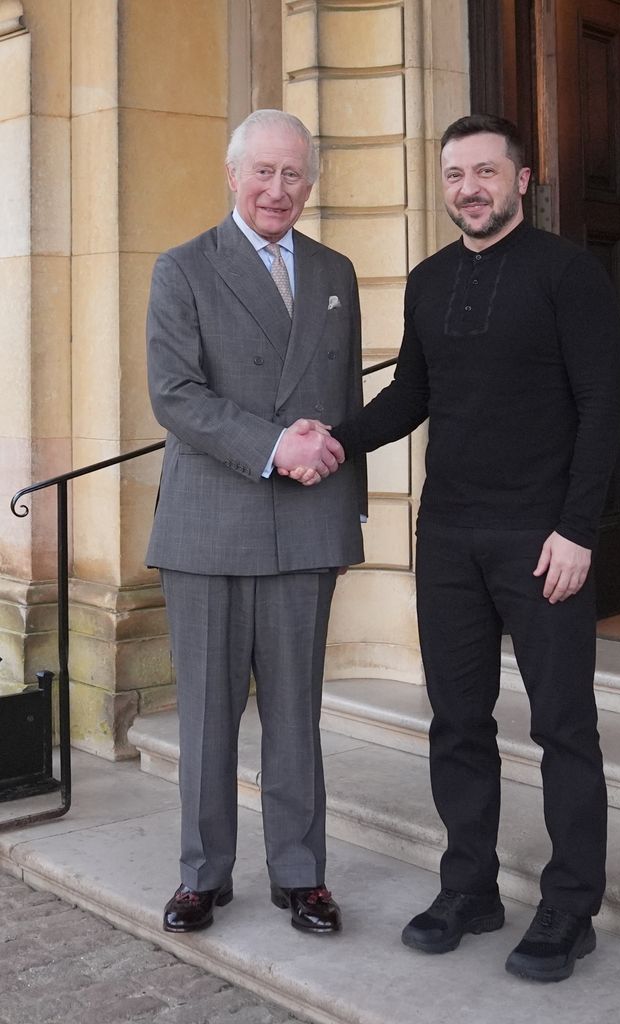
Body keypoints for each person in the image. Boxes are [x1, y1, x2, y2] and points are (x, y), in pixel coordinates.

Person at [285, 113, 620, 981]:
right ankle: (470, 887)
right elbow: (413, 391)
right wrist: (337, 439)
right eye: (452, 176)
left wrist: (579, 529)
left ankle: (570, 905)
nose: (467, 189)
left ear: (521, 179)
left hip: (542, 537)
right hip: (449, 536)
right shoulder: (431, 280)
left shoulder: (568, 274)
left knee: (564, 727)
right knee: (457, 722)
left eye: (484, 172)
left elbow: (605, 408)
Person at [146, 109, 366, 937]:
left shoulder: (336, 268)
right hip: (208, 523)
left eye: (294, 175)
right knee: (205, 714)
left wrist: (340, 485)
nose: (279, 189)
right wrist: (277, 444)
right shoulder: (182, 268)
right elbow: (175, 395)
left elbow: (343, 398)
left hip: (308, 521)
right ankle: (203, 877)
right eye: (264, 172)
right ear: (232, 175)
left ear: (310, 183)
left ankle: (301, 875)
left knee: (296, 712)